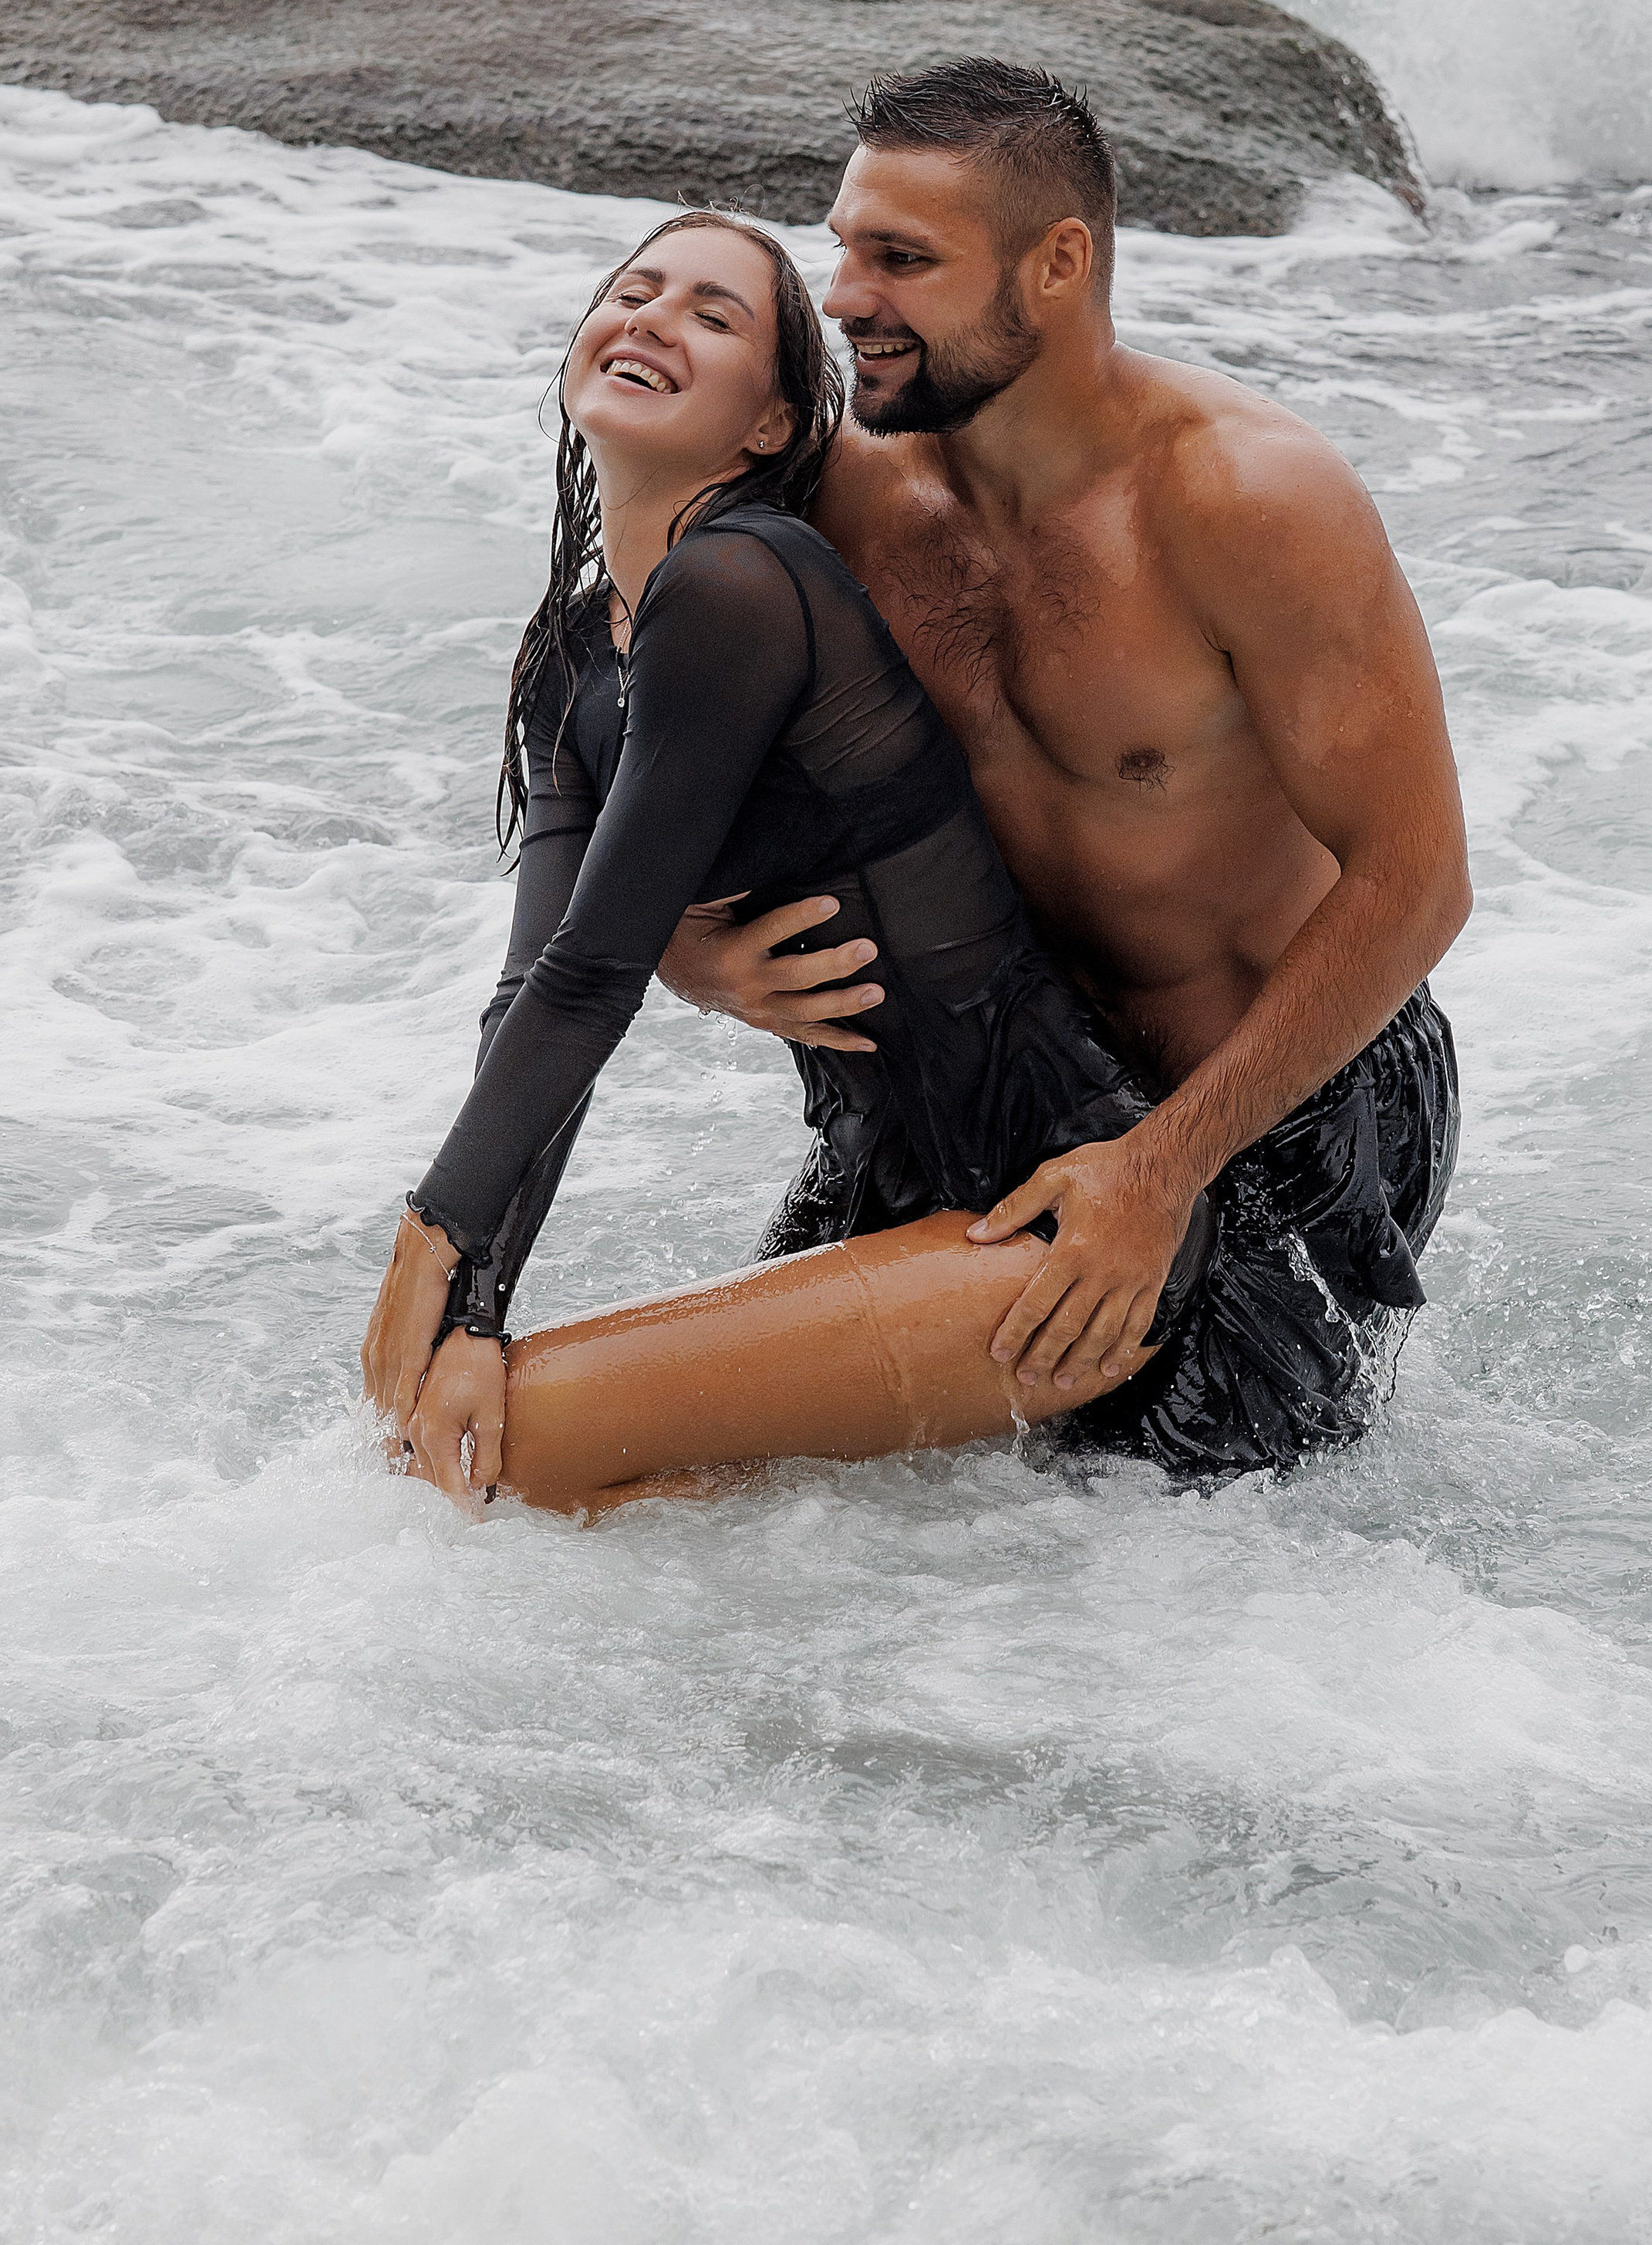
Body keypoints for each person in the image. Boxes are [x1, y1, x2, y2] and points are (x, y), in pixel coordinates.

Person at [657, 59, 1469, 1478]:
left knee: (1170, 1559)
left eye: (902, 259)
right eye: (842, 244)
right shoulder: (843, 499)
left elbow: (1417, 884)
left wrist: (1164, 1171)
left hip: (1275, 1099)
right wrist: (696, 958)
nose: (843, 297)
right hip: (1000, 1089)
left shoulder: (1244, 502)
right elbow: (618, 732)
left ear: (1058, 264)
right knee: (781, 1494)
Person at [362, 207, 1216, 1511]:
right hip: (897, 1207)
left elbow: (596, 974)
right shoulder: (573, 654)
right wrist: (471, 1303)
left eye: (713, 316)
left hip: (1057, 1221)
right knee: (455, 1435)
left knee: (496, 1455)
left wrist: (434, 1248)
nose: (652, 318)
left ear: (771, 427)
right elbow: (530, 996)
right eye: (635, 292)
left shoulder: (747, 582)